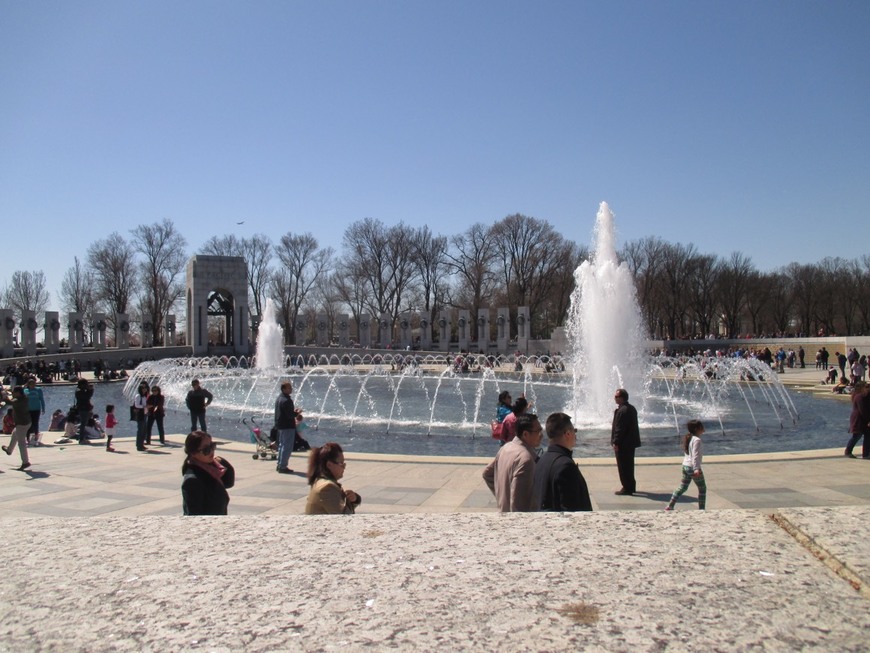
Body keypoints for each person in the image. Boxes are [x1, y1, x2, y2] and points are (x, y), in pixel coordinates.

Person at [482, 413, 543, 512]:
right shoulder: (526, 459)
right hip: (519, 523)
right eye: (538, 431)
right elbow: (518, 506)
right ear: (525, 434)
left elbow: (487, 473)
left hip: (503, 514)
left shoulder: (505, 448)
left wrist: (501, 496)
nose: (541, 435)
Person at [534, 412, 592, 512]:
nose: (575, 435)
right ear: (568, 434)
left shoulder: (542, 460)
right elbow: (571, 510)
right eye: (575, 431)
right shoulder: (566, 466)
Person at [181, 431, 235, 515]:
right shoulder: (192, 480)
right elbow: (193, 516)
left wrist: (221, 461)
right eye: (206, 450)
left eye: (212, 446)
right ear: (193, 453)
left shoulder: (212, 469)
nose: (211, 452)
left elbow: (229, 482)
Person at [305, 442, 362, 514]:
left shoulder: (320, 481)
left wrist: (355, 499)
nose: (344, 467)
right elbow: (345, 517)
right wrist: (349, 500)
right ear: (329, 465)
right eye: (341, 463)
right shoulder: (327, 488)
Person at [665, 420, 707, 511]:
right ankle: (701, 509)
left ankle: (670, 505)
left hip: (685, 466)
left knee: (682, 487)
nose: (704, 429)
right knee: (702, 488)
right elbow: (695, 455)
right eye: (702, 427)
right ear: (697, 429)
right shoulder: (697, 440)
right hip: (693, 467)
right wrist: (696, 469)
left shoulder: (689, 438)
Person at [611, 388, 641, 495]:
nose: (614, 398)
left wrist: (616, 442)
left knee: (623, 466)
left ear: (622, 398)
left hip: (623, 444)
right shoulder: (630, 408)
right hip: (630, 443)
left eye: (616, 396)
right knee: (629, 465)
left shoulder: (623, 410)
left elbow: (620, 428)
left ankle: (626, 487)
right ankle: (631, 486)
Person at [2, 386, 32, 471]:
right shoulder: (24, 397)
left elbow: (9, 402)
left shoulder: (18, 400)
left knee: (21, 443)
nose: (12, 393)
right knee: (15, 434)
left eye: (13, 392)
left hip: (22, 424)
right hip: (27, 422)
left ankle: (25, 462)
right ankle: (9, 450)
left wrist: (4, 395)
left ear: (18, 393)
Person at [274, 381, 298, 474]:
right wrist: (297, 413)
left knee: (281, 445)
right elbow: (290, 415)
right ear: (284, 389)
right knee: (287, 446)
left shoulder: (279, 398)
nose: (291, 389)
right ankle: (283, 466)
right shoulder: (287, 400)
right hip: (287, 426)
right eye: (289, 388)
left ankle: (280, 464)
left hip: (280, 425)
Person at [845, 383, 870, 459]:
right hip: (859, 419)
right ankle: (848, 451)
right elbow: (863, 410)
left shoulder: (865, 396)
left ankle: (866, 454)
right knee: (856, 436)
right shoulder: (860, 397)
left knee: (867, 436)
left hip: (863, 419)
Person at [24, 377, 45, 446]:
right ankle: (27, 438)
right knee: (28, 424)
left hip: (36, 409)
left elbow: (41, 399)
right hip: (28, 409)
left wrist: (43, 408)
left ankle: (36, 436)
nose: (33, 385)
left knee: (35, 423)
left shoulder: (38, 390)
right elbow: (23, 400)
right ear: (28, 384)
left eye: (34, 383)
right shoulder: (26, 390)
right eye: (31, 384)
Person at [74, 378, 93, 443]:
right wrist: (90, 390)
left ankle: (82, 438)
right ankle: (81, 439)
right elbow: (87, 397)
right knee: (83, 423)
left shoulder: (81, 391)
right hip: (83, 408)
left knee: (84, 423)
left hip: (84, 408)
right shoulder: (79, 392)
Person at [133, 382, 149, 451]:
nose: (145, 389)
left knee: (144, 430)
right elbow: (136, 405)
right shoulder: (138, 396)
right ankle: (139, 445)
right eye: (143, 388)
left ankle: (141, 444)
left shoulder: (144, 396)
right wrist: (144, 406)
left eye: (145, 388)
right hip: (140, 414)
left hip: (144, 414)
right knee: (140, 430)